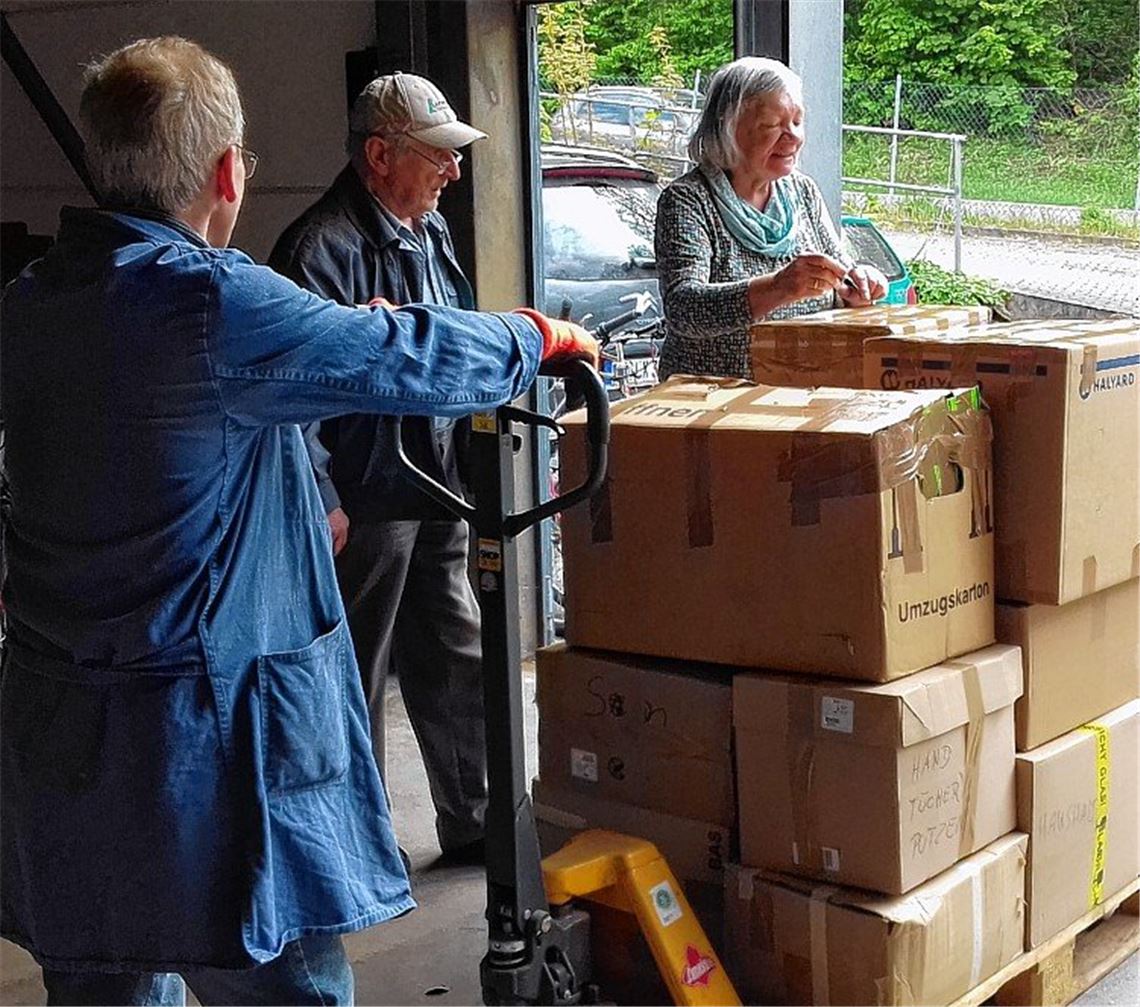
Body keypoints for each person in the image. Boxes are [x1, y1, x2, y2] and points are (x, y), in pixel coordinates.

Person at [0, 36, 594, 1006]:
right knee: (283, 987)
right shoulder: (211, 300)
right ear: (228, 171)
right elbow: (392, 352)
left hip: (59, 745)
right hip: (198, 760)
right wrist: (534, 338)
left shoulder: (31, 299)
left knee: (106, 979)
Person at [268, 73, 488, 866]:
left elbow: (451, 341)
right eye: (436, 156)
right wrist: (322, 495)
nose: (452, 173)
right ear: (378, 155)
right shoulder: (317, 249)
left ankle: (472, 818)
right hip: (364, 492)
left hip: (431, 477)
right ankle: (353, 847)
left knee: (455, 648)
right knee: (354, 670)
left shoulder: (429, 230)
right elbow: (286, 393)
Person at [655, 56, 888, 381]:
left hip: (798, 394)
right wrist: (778, 287)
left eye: (796, 121)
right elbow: (684, 309)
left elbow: (841, 277)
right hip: (712, 405)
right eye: (771, 125)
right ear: (728, 128)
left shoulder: (802, 192)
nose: (792, 136)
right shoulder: (689, 199)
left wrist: (860, 285)